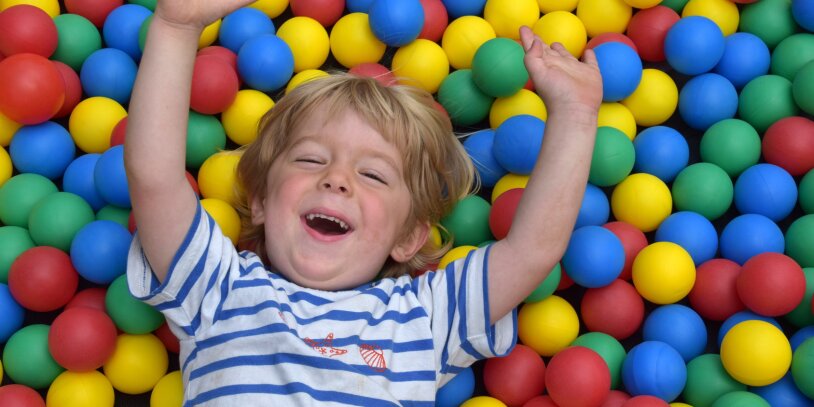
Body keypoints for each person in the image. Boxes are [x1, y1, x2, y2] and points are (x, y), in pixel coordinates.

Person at [124, 0, 602, 405]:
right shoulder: (220, 290)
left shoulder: (423, 318)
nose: (336, 179)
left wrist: (577, 115)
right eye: (311, 160)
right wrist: (175, 26)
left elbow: (533, 250)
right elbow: (155, 179)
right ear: (262, 201)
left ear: (409, 236)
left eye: (372, 174)